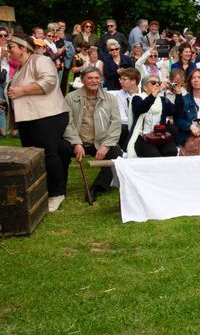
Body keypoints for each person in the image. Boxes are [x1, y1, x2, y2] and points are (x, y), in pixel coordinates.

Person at [6, 34, 70, 211]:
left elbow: (49, 82)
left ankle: (56, 194)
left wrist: (21, 91)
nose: (8, 50)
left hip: (48, 116)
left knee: (48, 154)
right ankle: (42, 189)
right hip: (29, 119)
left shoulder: (40, 60)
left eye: (11, 46)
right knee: (34, 156)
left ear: (24, 47)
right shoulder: (20, 68)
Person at [60, 66, 122, 202]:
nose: (94, 81)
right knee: (59, 149)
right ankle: (59, 190)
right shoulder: (70, 98)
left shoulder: (110, 99)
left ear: (100, 80)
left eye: (96, 78)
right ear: (82, 80)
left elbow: (115, 124)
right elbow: (67, 123)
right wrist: (76, 143)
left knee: (116, 152)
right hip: (77, 142)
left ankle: (96, 188)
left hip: (99, 142)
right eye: (90, 78)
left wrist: (106, 146)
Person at [127, 74, 178, 157]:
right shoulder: (137, 98)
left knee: (171, 152)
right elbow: (142, 108)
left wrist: (178, 94)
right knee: (153, 155)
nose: (157, 84)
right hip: (141, 136)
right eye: (153, 82)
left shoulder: (162, 100)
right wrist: (154, 94)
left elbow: (176, 112)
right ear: (145, 87)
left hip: (160, 135)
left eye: (159, 82)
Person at [108, 67, 141, 147]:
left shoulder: (144, 93)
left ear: (133, 81)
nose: (121, 82)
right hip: (130, 125)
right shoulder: (120, 95)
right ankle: (124, 151)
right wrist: (136, 123)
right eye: (120, 79)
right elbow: (121, 118)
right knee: (123, 128)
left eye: (124, 79)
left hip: (145, 125)